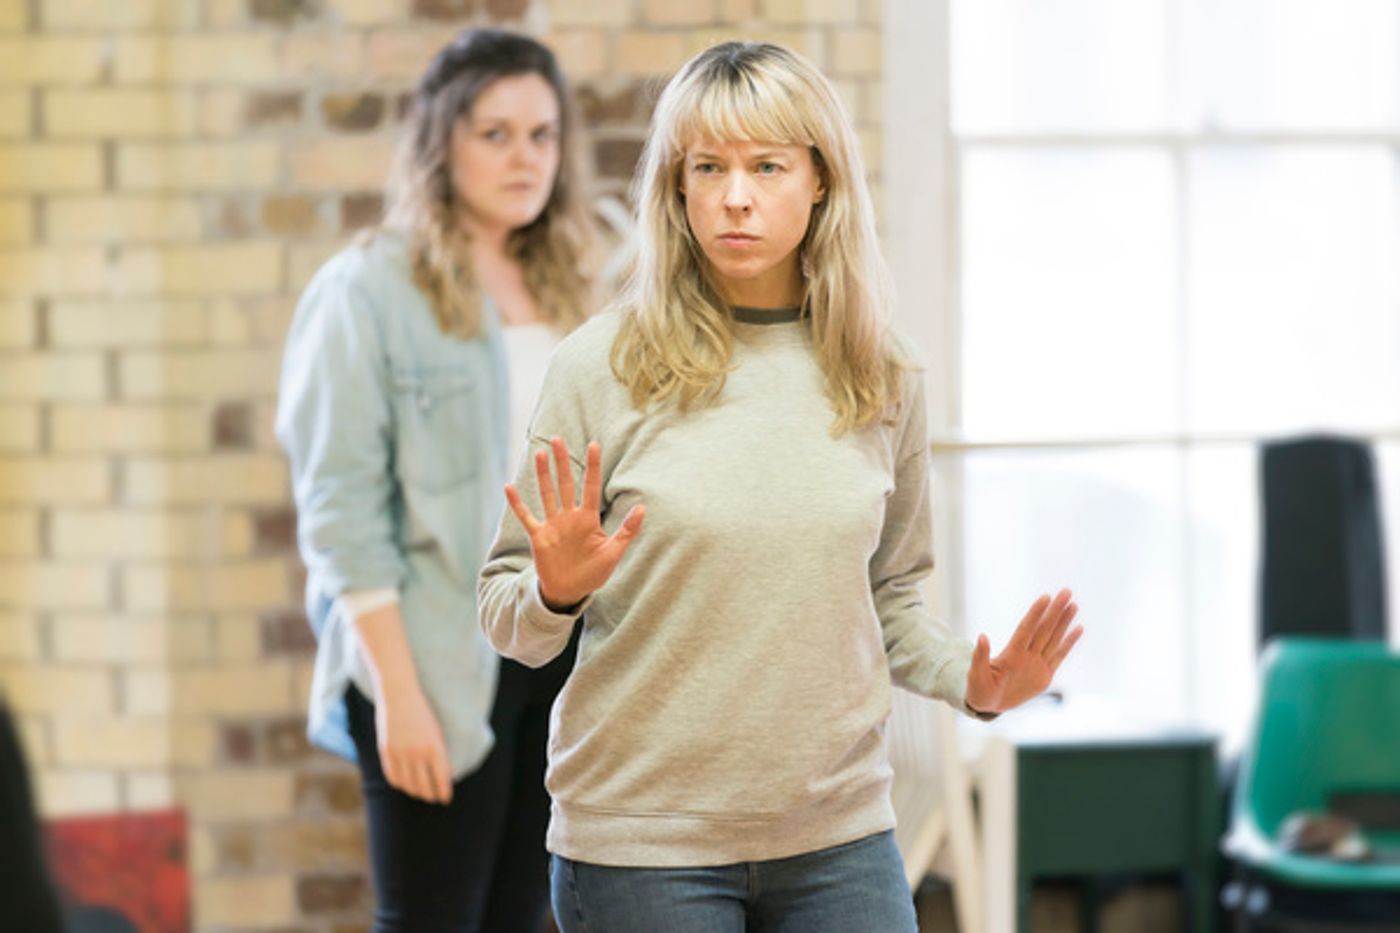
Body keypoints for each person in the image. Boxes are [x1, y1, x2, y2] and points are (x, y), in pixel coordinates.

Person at [478, 40, 1084, 932]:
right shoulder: (601, 367)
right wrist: (557, 592)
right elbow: (506, 617)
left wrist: (975, 683)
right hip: (643, 846)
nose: (735, 195)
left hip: (838, 837)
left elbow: (895, 595)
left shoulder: (883, 374)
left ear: (820, 182)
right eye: (708, 167)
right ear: (676, 190)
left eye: (767, 166)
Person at [275, 28, 600, 933]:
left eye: (542, 134)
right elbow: (341, 510)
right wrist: (400, 695)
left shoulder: (571, 284)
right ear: (440, 142)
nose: (524, 156)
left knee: (517, 920)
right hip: (429, 658)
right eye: (494, 133)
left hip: (553, 650)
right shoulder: (366, 291)